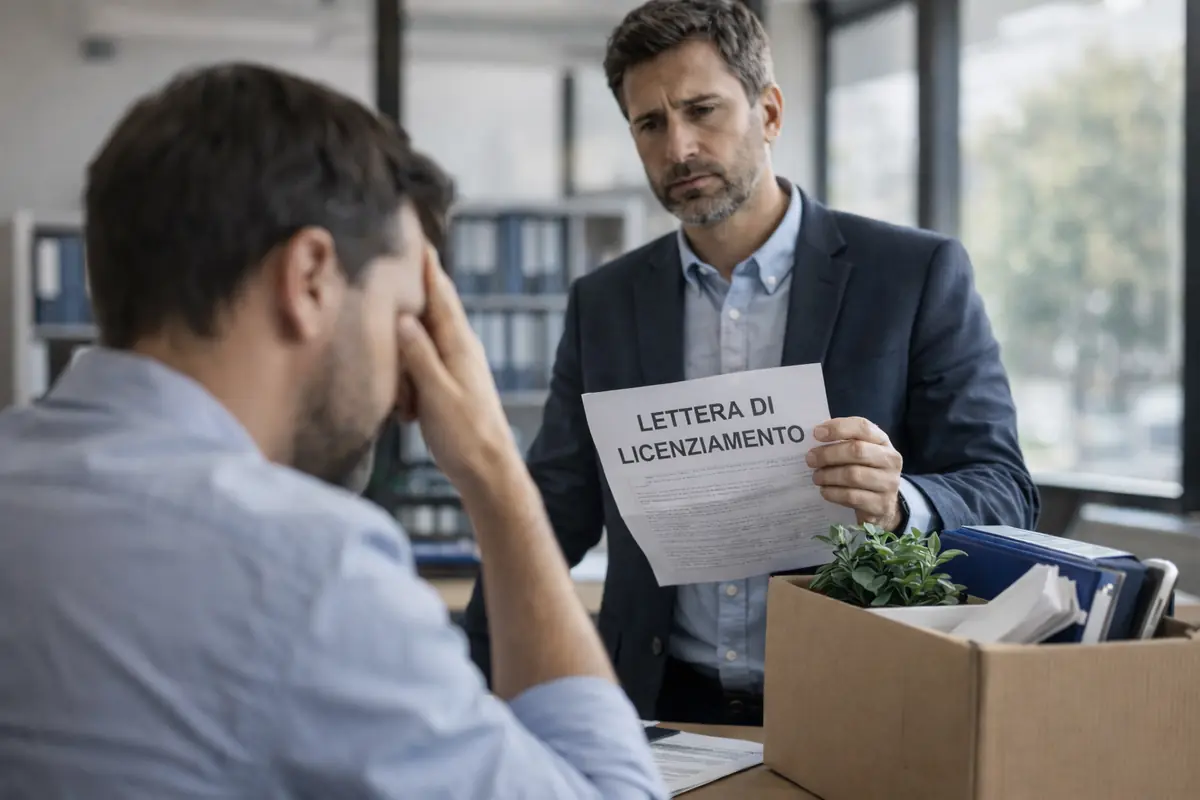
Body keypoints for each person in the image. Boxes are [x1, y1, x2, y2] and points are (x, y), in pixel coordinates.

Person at [0, 63, 665, 799]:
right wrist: (496, 471)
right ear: (311, 277)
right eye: (404, 314)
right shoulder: (307, 571)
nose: (406, 376)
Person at [465, 0, 1039, 727]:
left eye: (702, 110)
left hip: (857, 699)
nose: (679, 147)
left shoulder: (911, 275)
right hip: (659, 702)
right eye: (650, 123)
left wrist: (898, 503)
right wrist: (469, 676)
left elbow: (1003, 490)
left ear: (769, 113)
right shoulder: (603, 303)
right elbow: (552, 510)